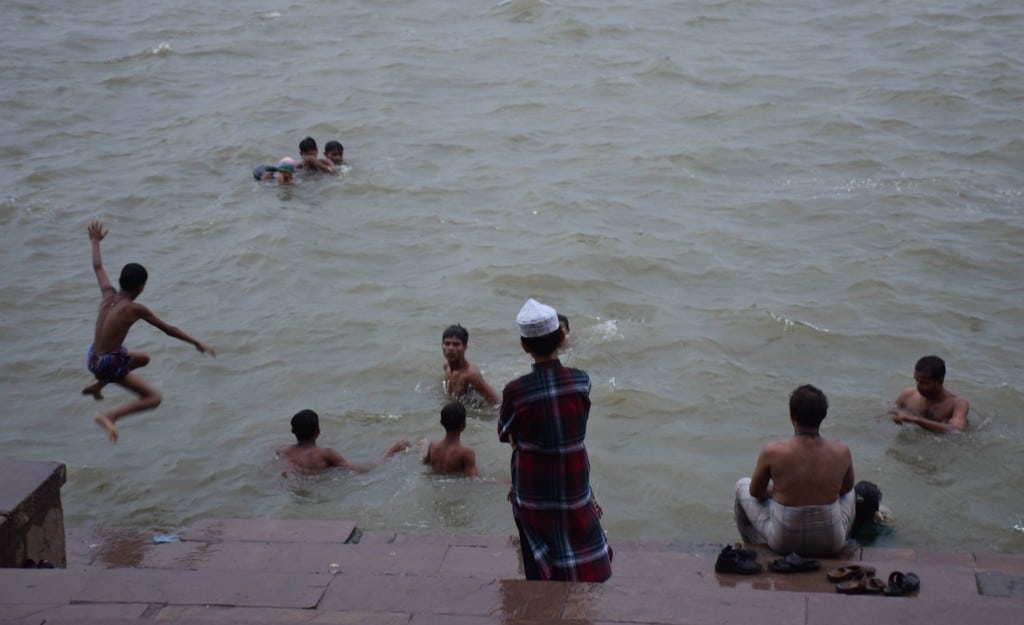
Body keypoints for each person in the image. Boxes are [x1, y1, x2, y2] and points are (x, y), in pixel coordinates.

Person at [498, 298, 612, 582]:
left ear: (524, 346)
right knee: (577, 534)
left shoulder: (515, 391)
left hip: (533, 487)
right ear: (562, 338)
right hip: (574, 479)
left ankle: (542, 587)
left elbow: (505, 433)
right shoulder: (581, 380)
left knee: (535, 541)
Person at [81, 221, 216, 443]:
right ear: (140, 287)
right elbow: (169, 329)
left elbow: (98, 267)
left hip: (93, 357)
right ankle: (109, 416)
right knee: (154, 398)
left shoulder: (107, 294)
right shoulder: (134, 309)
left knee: (143, 359)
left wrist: (95, 241)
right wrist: (196, 343)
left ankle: (98, 384)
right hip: (107, 364)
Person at [733, 384, 855, 558]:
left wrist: (778, 492)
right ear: (823, 416)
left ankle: (751, 544)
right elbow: (846, 489)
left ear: (792, 415)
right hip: (831, 542)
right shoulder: (842, 451)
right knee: (852, 492)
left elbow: (756, 492)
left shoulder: (773, 451)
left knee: (741, 485)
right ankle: (847, 538)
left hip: (784, 543)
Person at [277, 409, 410, 474]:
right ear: (318, 432)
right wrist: (391, 451)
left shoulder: (282, 450)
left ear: (293, 431)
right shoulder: (325, 454)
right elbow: (361, 471)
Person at [891, 355, 969, 433]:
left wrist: (916, 420)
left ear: (940, 381)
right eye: (917, 380)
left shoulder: (957, 403)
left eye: (924, 382)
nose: (919, 386)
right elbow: (889, 413)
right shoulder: (908, 395)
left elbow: (957, 430)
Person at [441, 324, 500, 405]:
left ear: (465, 347)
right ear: (442, 345)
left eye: (456, 344)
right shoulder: (446, 367)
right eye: (447, 344)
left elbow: (497, 402)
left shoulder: (470, 375)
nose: (450, 348)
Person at [421, 402, 478, 477]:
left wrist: (423, 447)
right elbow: (473, 479)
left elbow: (424, 462)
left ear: (441, 422)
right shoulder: (467, 453)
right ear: (464, 425)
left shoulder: (433, 446)